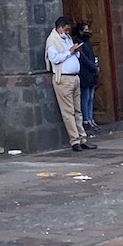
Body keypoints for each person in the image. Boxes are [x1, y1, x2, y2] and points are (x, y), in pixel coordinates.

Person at [44, 16, 91, 153]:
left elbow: (73, 55)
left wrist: (75, 51)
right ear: (60, 28)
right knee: (68, 111)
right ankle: (74, 140)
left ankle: (82, 138)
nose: (68, 31)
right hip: (63, 79)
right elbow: (54, 58)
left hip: (74, 77)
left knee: (78, 110)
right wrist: (69, 52)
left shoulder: (68, 38)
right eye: (66, 29)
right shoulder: (52, 41)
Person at [74, 20, 101, 135]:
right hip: (85, 73)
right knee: (85, 97)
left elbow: (92, 55)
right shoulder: (78, 42)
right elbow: (83, 58)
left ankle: (91, 118)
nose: (87, 32)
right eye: (84, 30)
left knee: (90, 96)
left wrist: (96, 66)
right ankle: (86, 120)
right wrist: (93, 67)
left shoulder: (88, 42)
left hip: (91, 72)